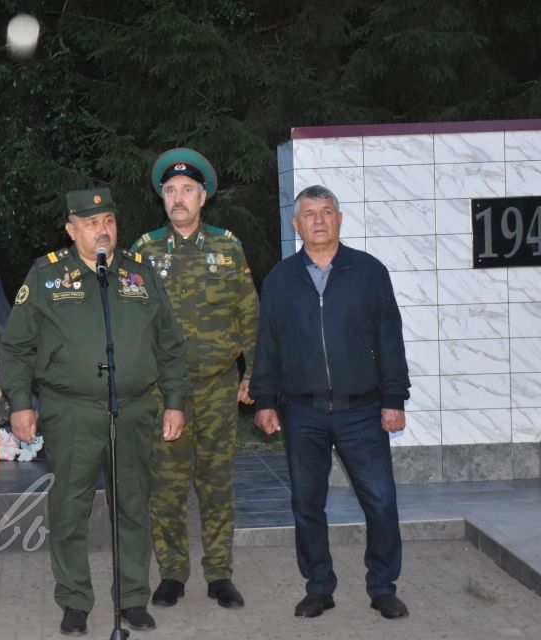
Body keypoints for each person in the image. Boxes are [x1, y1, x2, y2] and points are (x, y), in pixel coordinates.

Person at [0, 188, 189, 635]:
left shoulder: (139, 276)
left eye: (108, 221)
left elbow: (170, 345)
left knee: (132, 505)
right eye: (90, 223)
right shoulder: (47, 277)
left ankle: (133, 599)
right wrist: (21, 404)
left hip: (135, 409)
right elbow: (16, 347)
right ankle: (75, 600)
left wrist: (175, 401)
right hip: (72, 411)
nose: (102, 229)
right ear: (71, 230)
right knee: (69, 507)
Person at [250, 185, 411, 620]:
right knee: (307, 503)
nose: (318, 220)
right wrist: (264, 400)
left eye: (326, 212)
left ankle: (382, 587)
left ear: (339, 219)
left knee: (380, 501)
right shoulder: (280, 279)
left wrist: (394, 397)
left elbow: (390, 339)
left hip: (363, 409)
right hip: (302, 412)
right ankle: (319, 587)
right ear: (295, 224)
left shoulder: (369, 272)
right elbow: (267, 345)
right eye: (309, 213)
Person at [131, 148, 259, 609]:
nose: (178, 198)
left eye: (187, 190)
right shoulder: (143, 251)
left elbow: (249, 315)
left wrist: (254, 376)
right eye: (170, 191)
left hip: (218, 387)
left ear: (203, 198)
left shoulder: (228, 247)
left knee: (216, 482)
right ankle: (172, 574)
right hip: (165, 394)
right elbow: (132, 323)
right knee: (166, 487)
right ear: (162, 199)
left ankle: (220, 574)